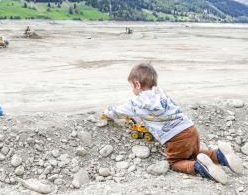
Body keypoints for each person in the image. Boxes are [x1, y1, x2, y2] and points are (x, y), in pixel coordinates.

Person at [100, 63, 242, 184]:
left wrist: (106, 113)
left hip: (175, 138)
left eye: (131, 86)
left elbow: (118, 111)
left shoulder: (136, 103)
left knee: (176, 162)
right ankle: (221, 155)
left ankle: (199, 167)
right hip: (190, 129)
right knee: (194, 152)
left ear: (137, 84)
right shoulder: (162, 95)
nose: (132, 89)